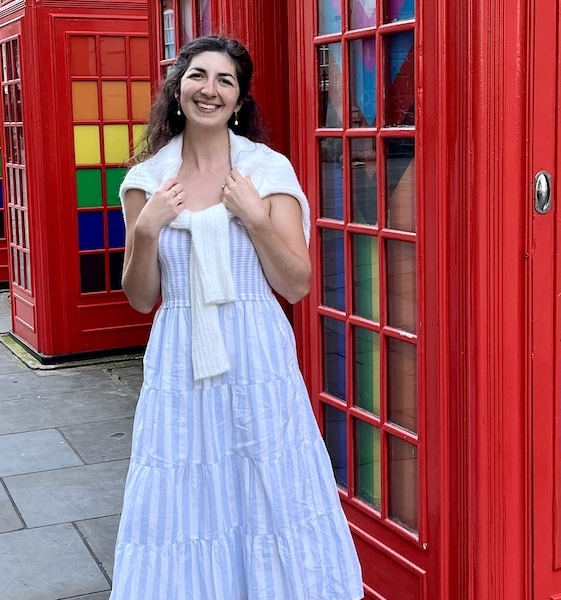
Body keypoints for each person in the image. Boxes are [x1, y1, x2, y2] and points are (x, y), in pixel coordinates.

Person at [109, 35, 364, 600]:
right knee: (184, 486)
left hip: (256, 353)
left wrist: (254, 218)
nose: (211, 90)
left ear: (240, 100)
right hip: (180, 357)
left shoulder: (265, 172)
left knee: (267, 482)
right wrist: (146, 232)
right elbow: (141, 298)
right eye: (199, 76)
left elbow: (295, 284)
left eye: (226, 81)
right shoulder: (146, 181)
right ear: (178, 90)